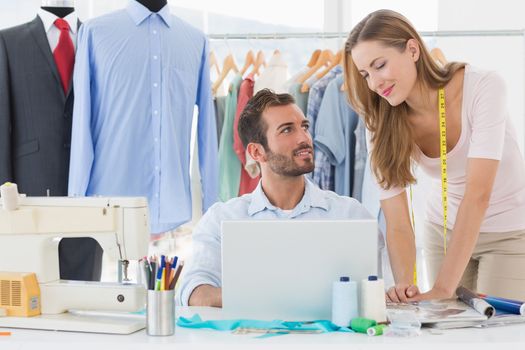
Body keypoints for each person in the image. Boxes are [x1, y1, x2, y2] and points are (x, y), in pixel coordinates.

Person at [345, 9, 525, 302]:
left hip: (508, 231)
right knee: (448, 336)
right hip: (444, 231)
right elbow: (398, 220)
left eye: (380, 65)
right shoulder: (379, 118)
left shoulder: (483, 87)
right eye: (365, 74)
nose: (374, 83)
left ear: (412, 49)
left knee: (495, 336)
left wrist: (442, 289)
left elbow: (478, 194)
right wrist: (405, 287)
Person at [176, 89, 372, 307]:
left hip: (333, 341)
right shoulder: (222, 219)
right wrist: (268, 295)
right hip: (252, 340)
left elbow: (375, 293)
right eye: (287, 130)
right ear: (257, 153)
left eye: (304, 127)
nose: (304, 138)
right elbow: (194, 293)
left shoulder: (350, 215)